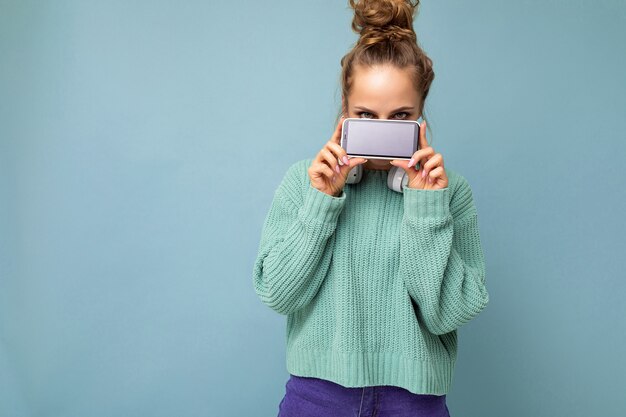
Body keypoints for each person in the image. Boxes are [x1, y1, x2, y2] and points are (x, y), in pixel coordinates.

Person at [252, 0, 489, 416]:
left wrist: (427, 207)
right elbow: (278, 294)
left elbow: (448, 313)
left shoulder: (451, 193)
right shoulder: (303, 182)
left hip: (416, 403)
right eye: (366, 116)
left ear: (421, 116)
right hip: (317, 399)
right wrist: (321, 202)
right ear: (345, 112)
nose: (383, 133)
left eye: (400, 117)